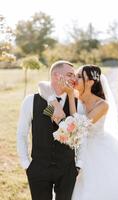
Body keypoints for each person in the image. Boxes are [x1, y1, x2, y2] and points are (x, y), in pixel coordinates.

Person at [38, 64, 118, 200]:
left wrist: (71, 96)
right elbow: (42, 85)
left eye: (79, 76)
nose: (74, 79)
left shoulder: (102, 105)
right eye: (75, 75)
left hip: (98, 148)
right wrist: (56, 104)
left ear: (90, 82)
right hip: (75, 146)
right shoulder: (74, 94)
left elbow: (80, 126)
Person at [17, 60, 80, 200]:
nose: (74, 79)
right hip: (38, 168)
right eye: (70, 74)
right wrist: (26, 165)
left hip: (67, 168)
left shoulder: (76, 102)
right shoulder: (30, 101)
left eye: (74, 75)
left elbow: (81, 137)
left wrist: (78, 165)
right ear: (57, 75)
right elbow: (21, 134)